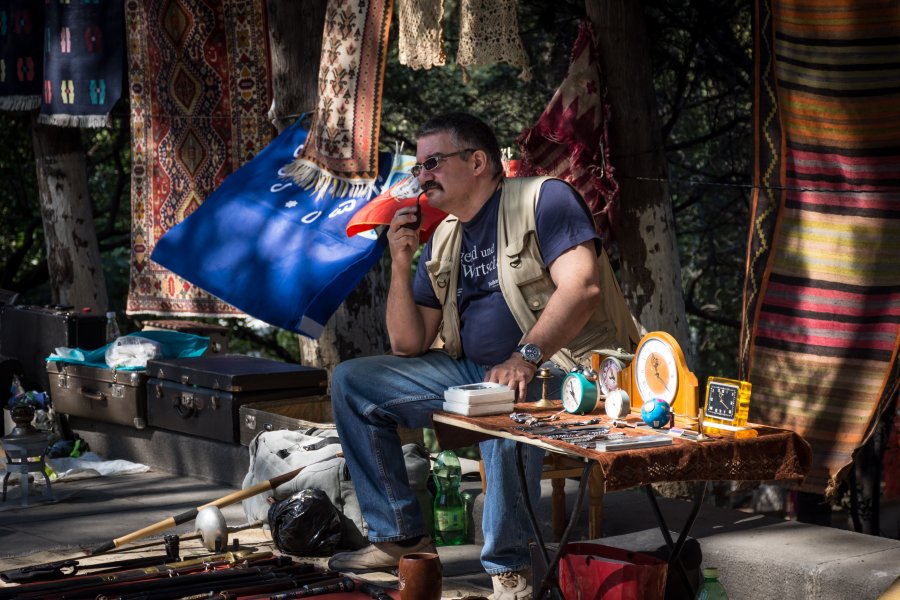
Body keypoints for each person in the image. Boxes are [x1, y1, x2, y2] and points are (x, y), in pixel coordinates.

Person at [328, 112, 613, 599]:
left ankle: (510, 571)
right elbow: (407, 343)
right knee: (353, 382)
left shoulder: (543, 199)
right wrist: (400, 262)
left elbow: (582, 287)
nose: (422, 178)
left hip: (562, 370)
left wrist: (526, 356)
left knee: (499, 402)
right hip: (472, 371)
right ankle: (399, 535)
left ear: (477, 161)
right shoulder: (445, 237)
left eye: (432, 163)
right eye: (418, 168)